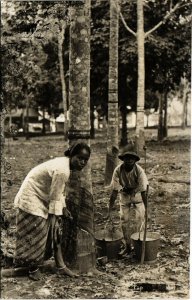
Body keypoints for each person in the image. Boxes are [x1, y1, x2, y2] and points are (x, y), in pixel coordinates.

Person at [14, 142, 91, 280]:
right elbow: (55, 197)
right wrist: (56, 216)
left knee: (53, 231)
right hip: (31, 197)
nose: (82, 162)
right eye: (80, 158)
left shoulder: (65, 166)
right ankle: (33, 268)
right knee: (38, 233)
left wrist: (63, 208)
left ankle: (59, 265)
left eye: (85, 160)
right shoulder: (62, 170)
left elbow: (58, 192)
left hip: (41, 197)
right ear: (72, 155)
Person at [108, 145, 149, 256]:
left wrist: (147, 209)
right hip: (124, 194)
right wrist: (110, 209)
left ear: (135, 160)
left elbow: (144, 191)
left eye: (132, 158)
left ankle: (138, 245)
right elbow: (115, 191)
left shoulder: (139, 171)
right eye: (127, 158)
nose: (129, 160)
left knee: (139, 219)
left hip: (137, 194)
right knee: (124, 219)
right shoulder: (118, 170)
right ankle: (127, 246)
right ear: (123, 159)